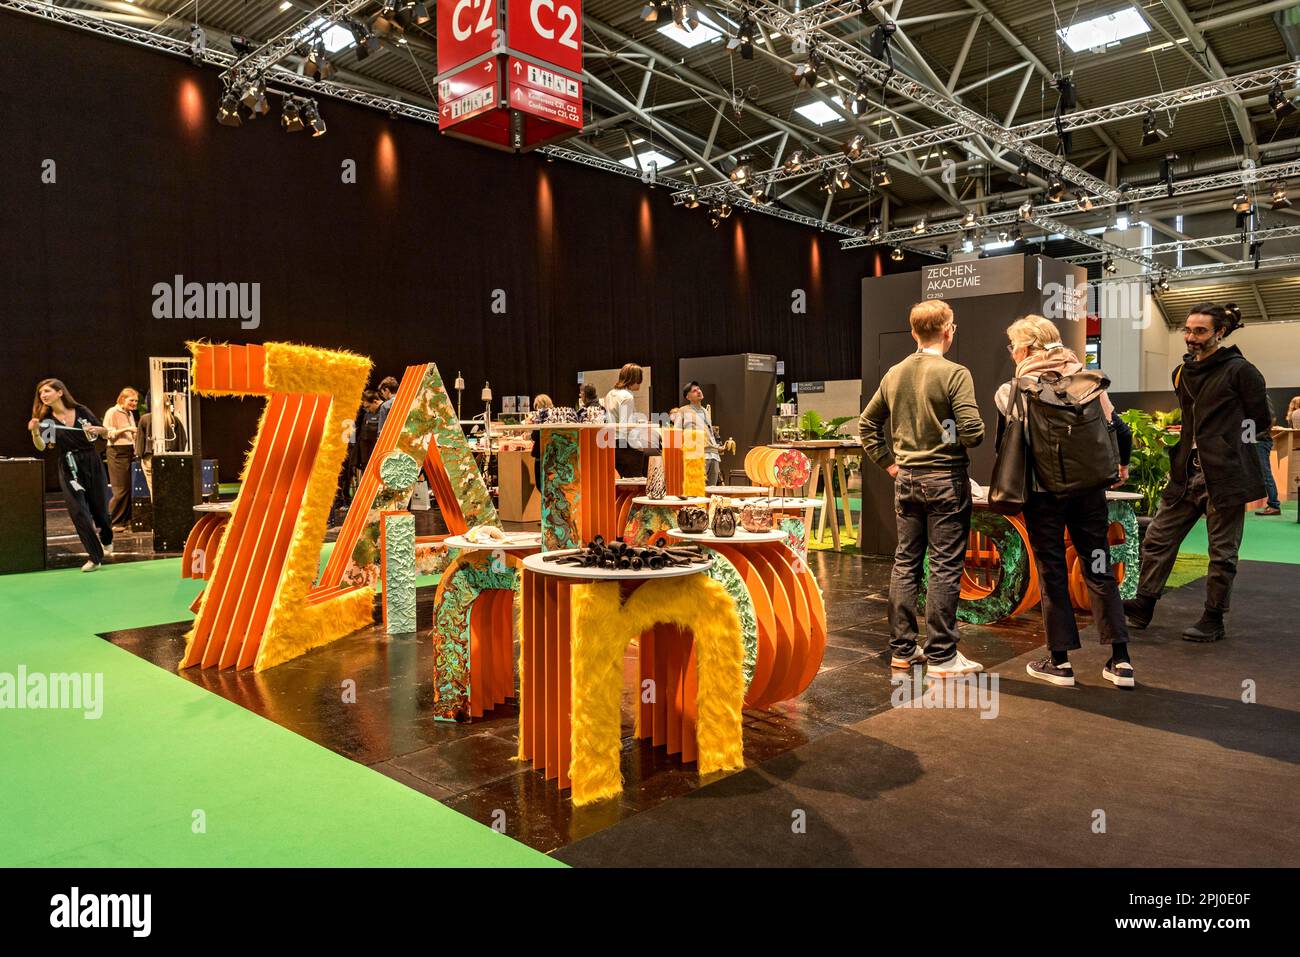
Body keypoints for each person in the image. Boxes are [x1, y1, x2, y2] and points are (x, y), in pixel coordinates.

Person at [995, 316, 1135, 689]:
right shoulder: (1088, 382)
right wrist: (1121, 465)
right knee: (1099, 566)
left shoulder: (1013, 389)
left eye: (1013, 347)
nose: (1012, 353)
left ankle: (1059, 662)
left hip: (1043, 496)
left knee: (1053, 571)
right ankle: (1120, 661)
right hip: (1089, 492)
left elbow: (1004, 447)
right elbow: (1119, 429)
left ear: (1025, 349)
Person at [1123, 303, 1270, 642]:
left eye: (1200, 331)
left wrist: (1228, 445)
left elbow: (1259, 421)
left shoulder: (1241, 371)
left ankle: (1213, 617)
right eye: (1187, 330)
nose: (1190, 337)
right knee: (1158, 538)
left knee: (1222, 552)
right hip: (1185, 473)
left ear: (1220, 332)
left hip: (1225, 474)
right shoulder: (1181, 372)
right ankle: (1143, 605)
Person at [858, 299, 985, 677]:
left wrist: (892, 464)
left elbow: (867, 426)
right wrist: (948, 438)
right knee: (945, 566)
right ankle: (943, 656)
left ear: (914, 332)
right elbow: (974, 433)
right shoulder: (955, 373)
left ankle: (902, 650)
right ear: (949, 330)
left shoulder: (894, 374)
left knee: (906, 562)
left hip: (908, 481)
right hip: (945, 480)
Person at [27, 379, 113, 572]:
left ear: (60, 392)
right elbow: (44, 446)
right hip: (68, 465)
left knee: (100, 510)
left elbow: (105, 434)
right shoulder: (47, 420)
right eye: (41, 393)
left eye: (47, 391)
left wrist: (99, 430)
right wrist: (35, 433)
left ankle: (107, 538)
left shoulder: (81, 411)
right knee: (78, 511)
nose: (43, 395)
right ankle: (94, 556)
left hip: (91, 461)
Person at [674, 382, 724, 486]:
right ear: (688, 397)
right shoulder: (683, 411)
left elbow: (709, 432)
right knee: (696, 489)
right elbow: (676, 434)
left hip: (713, 454)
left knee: (711, 490)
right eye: (694, 391)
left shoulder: (705, 411)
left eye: (699, 389)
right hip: (696, 455)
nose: (698, 391)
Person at [135, 399, 188, 496]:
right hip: (170, 458)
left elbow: (139, 442)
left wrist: (139, 456)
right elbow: (183, 441)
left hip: (149, 458)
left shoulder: (144, 419)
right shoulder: (174, 420)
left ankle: (157, 510)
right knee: (169, 488)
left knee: (153, 490)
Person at [103, 388, 139, 530]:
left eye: (136, 401)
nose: (134, 403)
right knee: (120, 490)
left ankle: (125, 521)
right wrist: (127, 430)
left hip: (129, 451)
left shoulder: (129, 413)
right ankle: (112, 522)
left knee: (129, 489)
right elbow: (107, 434)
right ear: (122, 399)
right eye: (131, 400)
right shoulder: (112, 412)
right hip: (117, 451)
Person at [604, 363, 647, 478]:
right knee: (634, 483)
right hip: (627, 445)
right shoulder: (627, 396)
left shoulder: (610, 394)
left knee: (619, 484)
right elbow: (626, 426)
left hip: (612, 443)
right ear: (635, 379)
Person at [1254, 402, 1281, 516]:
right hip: (1255, 440)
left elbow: (1270, 419)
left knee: (1265, 474)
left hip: (1261, 441)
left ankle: (1274, 505)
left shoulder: (1262, 397)